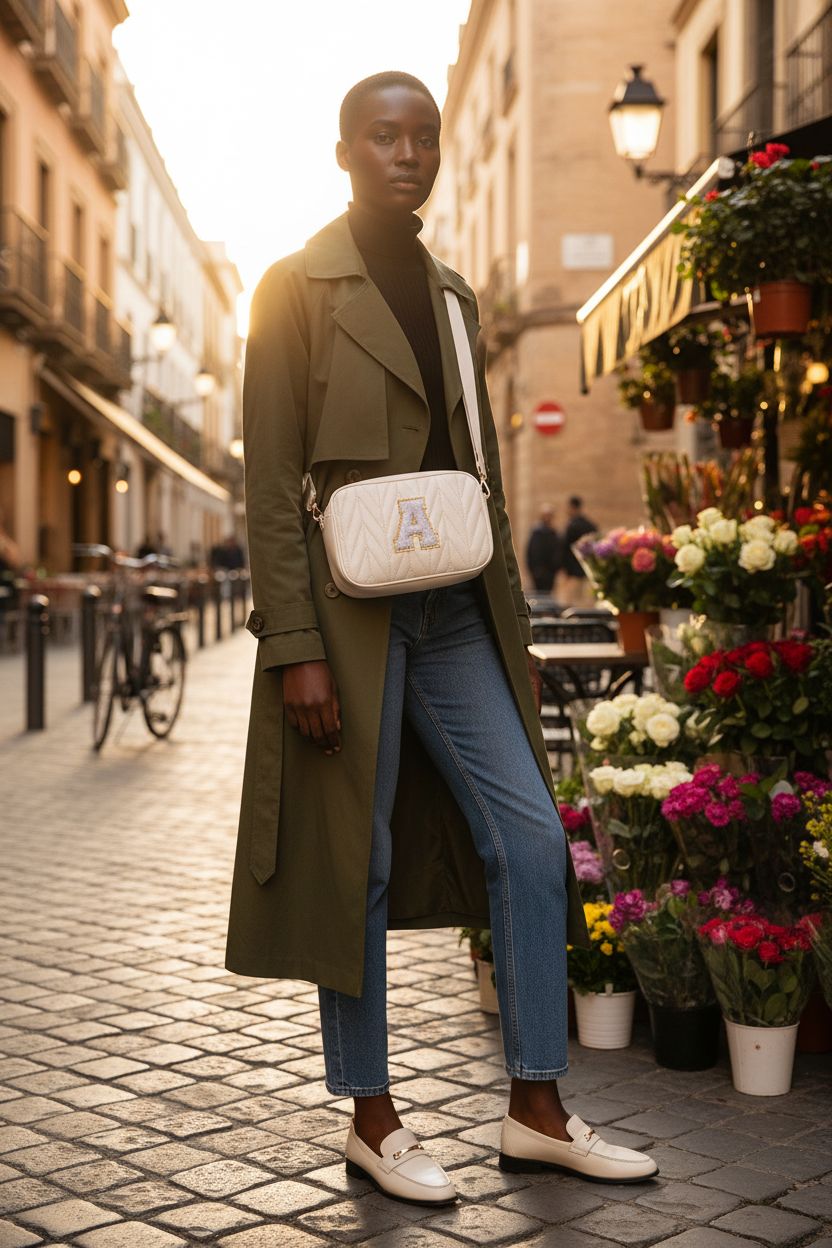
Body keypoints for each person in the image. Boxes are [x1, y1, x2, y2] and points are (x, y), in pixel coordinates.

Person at [224, 71, 657, 1206]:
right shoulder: (293, 288)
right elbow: (270, 486)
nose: (406, 152)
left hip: (457, 606)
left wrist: (506, 617)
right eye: (383, 135)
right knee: (351, 861)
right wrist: (292, 646)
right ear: (343, 152)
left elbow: (486, 479)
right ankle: (373, 1119)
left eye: (421, 136)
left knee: (527, 839)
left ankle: (536, 1106)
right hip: (348, 617)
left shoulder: (456, 293)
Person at [562, 495, 597, 606]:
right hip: (589, 570)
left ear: (572, 507)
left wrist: (566, 570)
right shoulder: (590, 525)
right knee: (587, 604)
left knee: (573, 604)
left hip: (574, 571)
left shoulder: (572, 526)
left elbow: (565, 549)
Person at [525, 504, 562, 594]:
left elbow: (557, 551)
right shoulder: (537, 532)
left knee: (548, 593)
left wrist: (556, 567)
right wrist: (535, 568)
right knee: (540, 594)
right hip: (539, 571)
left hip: (550, 571)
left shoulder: (553, 533)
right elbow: (532, 552)